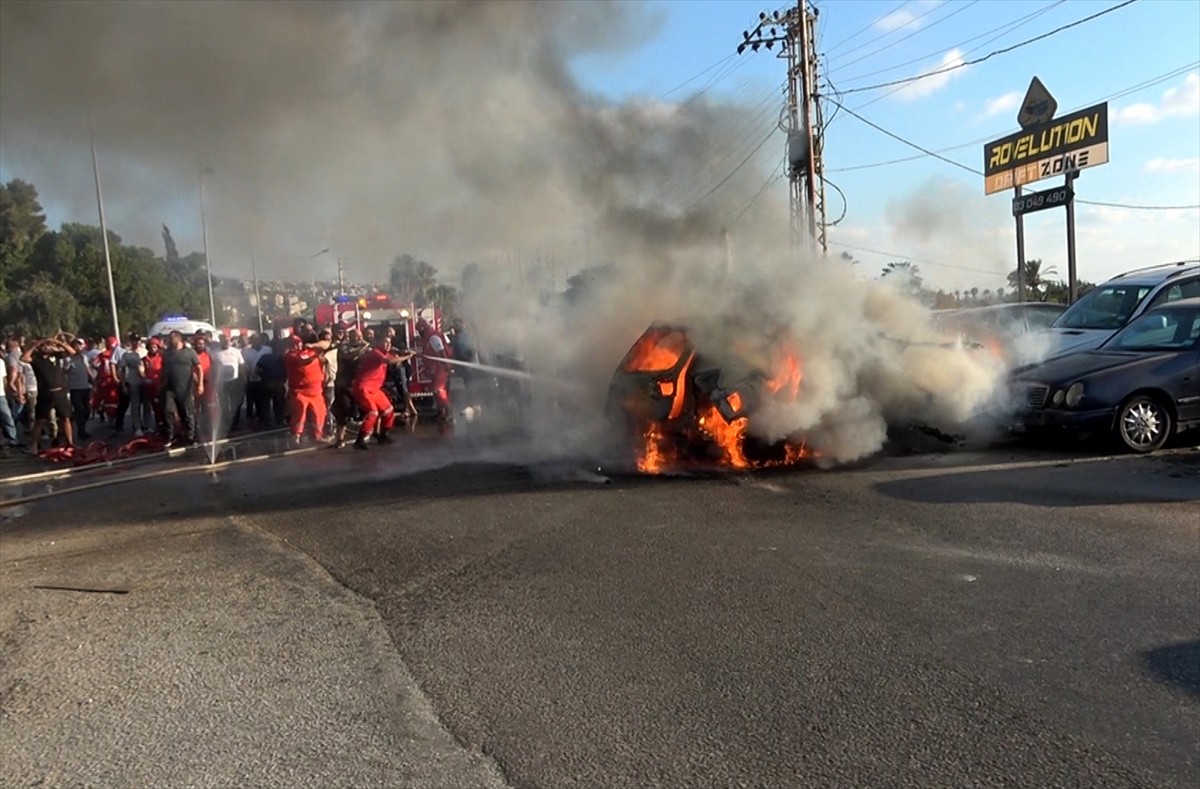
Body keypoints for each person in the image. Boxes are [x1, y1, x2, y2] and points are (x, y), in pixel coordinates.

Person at [350, 336, 414, 450]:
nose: (388, 345)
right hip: (363, 388)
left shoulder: (384, 354)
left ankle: (384, 436)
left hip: (374, 389)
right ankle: (359, 440)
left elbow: (393, 358)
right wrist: (408, 356)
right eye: (385, 342)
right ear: (378, 343)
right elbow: (389, 361)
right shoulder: (376, 353)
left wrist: (403, 353)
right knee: (372, 412)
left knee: (388, 410)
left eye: (389, 343)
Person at [21, 333, 76, 455]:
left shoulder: (56, 355)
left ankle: (70, 443)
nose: (47, 347)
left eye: (48, 345)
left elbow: (72, 352)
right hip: (46, 393)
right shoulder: (36, 358)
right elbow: (23, 358)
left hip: (60, 392)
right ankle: (34, 446)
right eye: (44, 345)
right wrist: (36, 345)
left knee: (66, 418)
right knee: (40, 420)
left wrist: (58, 343)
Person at [284, 333, 328, 445]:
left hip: (316, 390)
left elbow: (326, 344)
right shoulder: (290, 356)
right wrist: (316, 356)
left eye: (298, 343)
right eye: (294, 344)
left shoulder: (310, 351)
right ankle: (296, 436)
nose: (297, 346)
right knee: (299, 414)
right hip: (300, 391)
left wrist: (312, 346)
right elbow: (303, 362)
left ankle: (317, 435)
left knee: (320, 413)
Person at [160, 330, 202, 447]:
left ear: (179, 340)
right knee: (168, 411)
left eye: (172, 339)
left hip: (185, 388)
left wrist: (200, 385)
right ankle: (170, 437)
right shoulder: (167, 354)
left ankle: (190, 437)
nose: (170, 341)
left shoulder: (190, 353)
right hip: (170, 388)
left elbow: (198, 368)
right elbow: (163, 371)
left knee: (187, 413)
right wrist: (160, 384)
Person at [330, 328, 369, 449]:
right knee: (342, 412)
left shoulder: (366, 348)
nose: (357, 338)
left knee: (370, 409)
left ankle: (370, 434)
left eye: (359, 336)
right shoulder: (344, 347)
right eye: (355, 336)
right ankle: (340, 439)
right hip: (344, 384)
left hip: (360, 384)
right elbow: (349, 356)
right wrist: (363, 347)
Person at [416, 316, 453, 424]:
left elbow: (441, 352)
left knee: (439, 390)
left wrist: (447, 365)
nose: (419, 333)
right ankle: (441, 412)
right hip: (435, 368)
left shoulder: (433, 338)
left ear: (423, 329)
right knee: (435, 391)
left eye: (419, 331)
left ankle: (449, 412)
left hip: (441, 367)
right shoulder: (428, 338)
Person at [213, 334, 246, 436]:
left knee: (235, 403)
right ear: (221, 341)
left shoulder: (236, 352)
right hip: (221, 382)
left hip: (234, 381)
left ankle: (235, 423)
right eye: (224, 341)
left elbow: (241, 366)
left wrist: (243, 379)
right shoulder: (215, 353)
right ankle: (226, 424)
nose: (227, 343)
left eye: (228, 341)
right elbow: (213, 368)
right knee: (224, 405)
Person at [65, 338, 94, 440]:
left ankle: (82, 426)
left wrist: (92, 380)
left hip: (85, 386)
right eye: (76, 345)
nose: (79, 347)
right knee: (79, 410)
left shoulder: (83, 357)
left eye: (80, 345)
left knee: (87, 410)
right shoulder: (68, 359)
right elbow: (65, 372)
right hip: (75, 388)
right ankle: (81, 431)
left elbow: (87, 369)